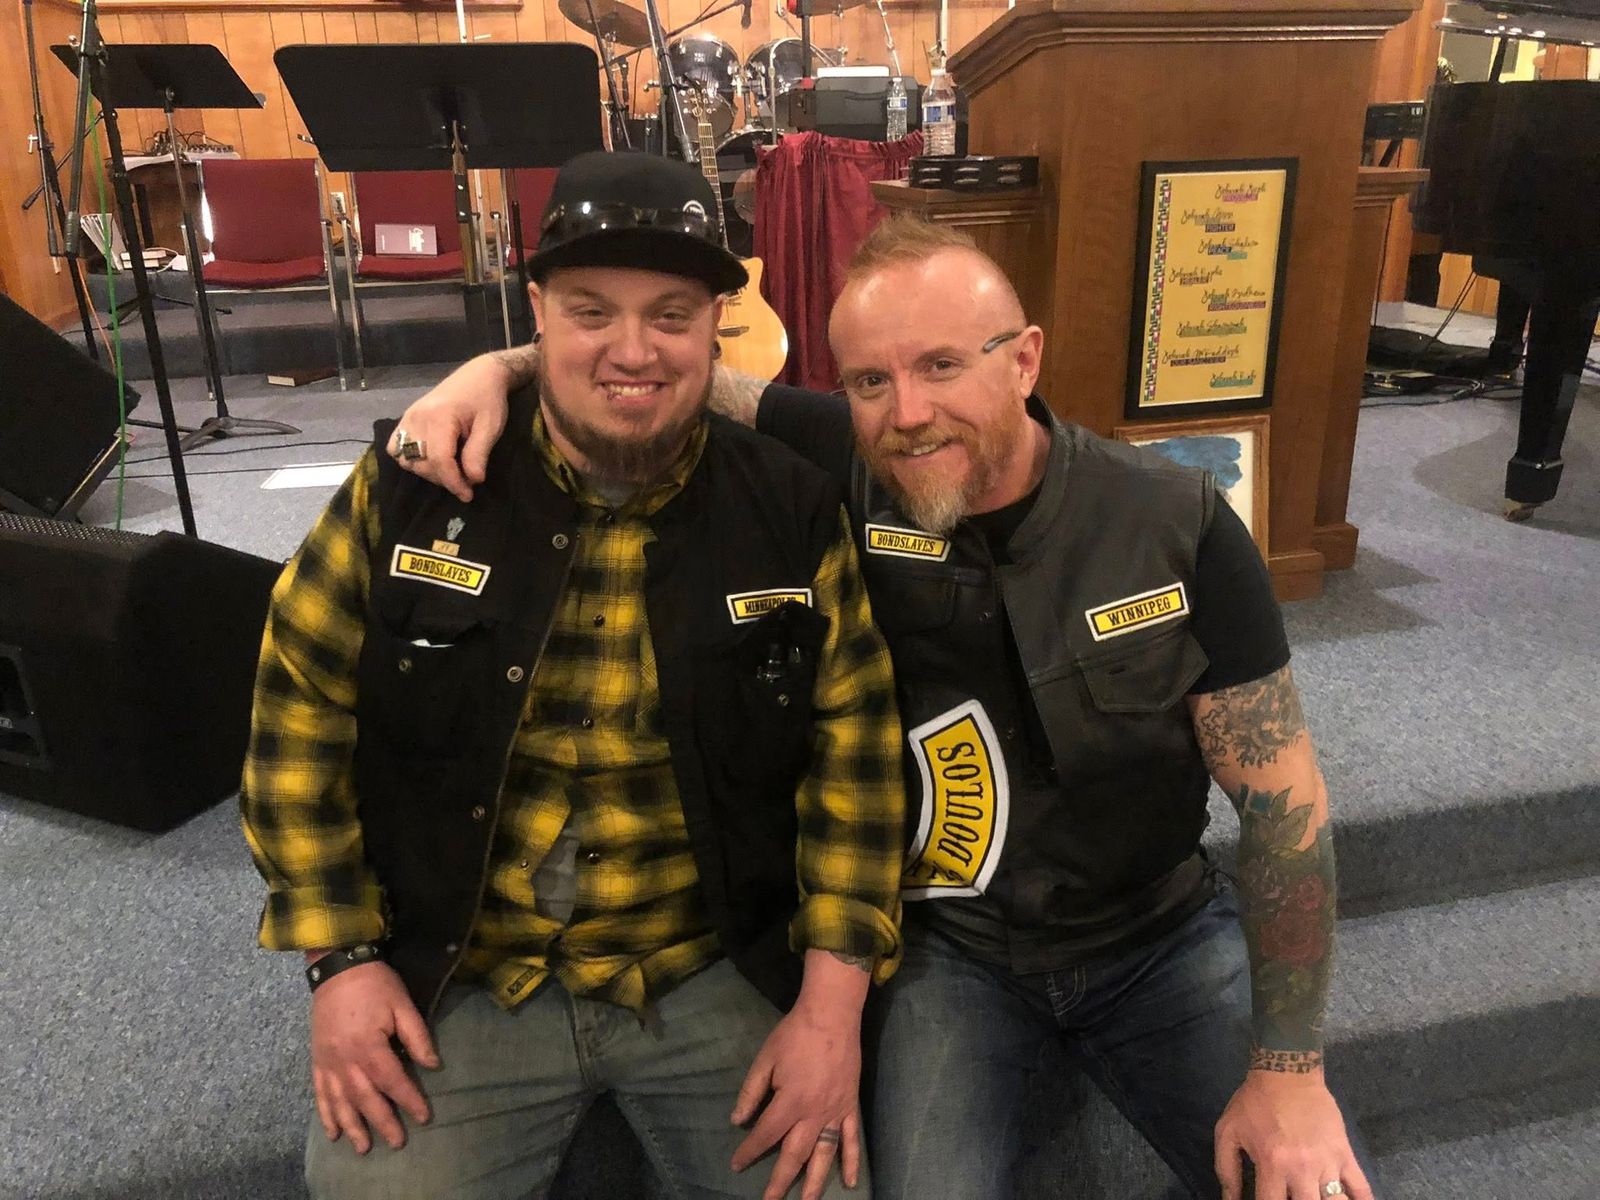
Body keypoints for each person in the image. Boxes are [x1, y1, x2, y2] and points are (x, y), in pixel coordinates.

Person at [389, 215, 1377, 1200]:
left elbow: (1284, 814)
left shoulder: (1174, 521)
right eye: (869, 380)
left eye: (943, 365)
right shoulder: (840, 470)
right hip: (952, 954)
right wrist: (494, 371)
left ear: (1024, 359)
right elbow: (657, 373)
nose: (908, 412)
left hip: (1157, 936)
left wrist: (1290, 1073)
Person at [239, 151, 908, 1200]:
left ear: (716, 327)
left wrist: (830, 1014)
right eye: (592, 312)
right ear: (537, 315)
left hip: (711, 964)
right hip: (468, 967)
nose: (633, 351)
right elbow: (296, 715)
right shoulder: (411, 488)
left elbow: (856, 774)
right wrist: (340, 961)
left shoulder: (792, 506)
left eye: (671, 316)